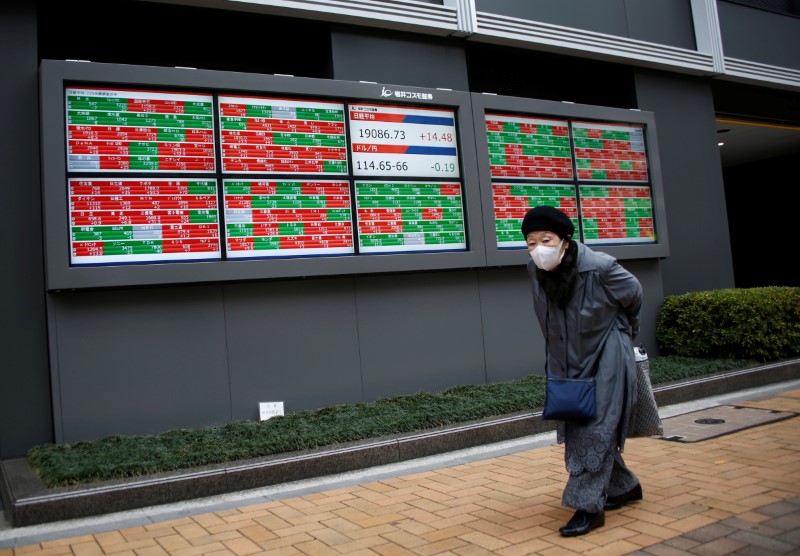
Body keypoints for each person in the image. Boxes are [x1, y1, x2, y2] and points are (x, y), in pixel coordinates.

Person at [521, 205, 644, 537]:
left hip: (607, 353)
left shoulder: (601, 268)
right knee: (579, 422)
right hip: (568, 357)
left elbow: (633, 295)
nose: (538, 250)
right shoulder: (536, 271)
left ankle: (587, 506)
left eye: (545, 239)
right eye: (530, 243)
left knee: (594, 428)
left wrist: (623, 330)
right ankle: (625, 486)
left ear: (565, 239)